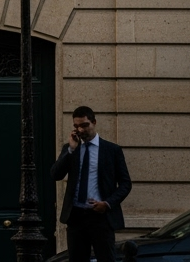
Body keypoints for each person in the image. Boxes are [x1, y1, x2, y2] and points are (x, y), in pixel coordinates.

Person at [50, 106, 132, 262]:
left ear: (94, 122)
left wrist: (107, 203)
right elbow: (55, 174)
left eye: (85, 125)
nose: (81, 129)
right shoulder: (70, 149)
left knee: (106, 259)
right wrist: (71, 150)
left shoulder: (111, 150)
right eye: (76, 126)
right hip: (76, 217)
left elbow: (125, 184)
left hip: (101, 217)